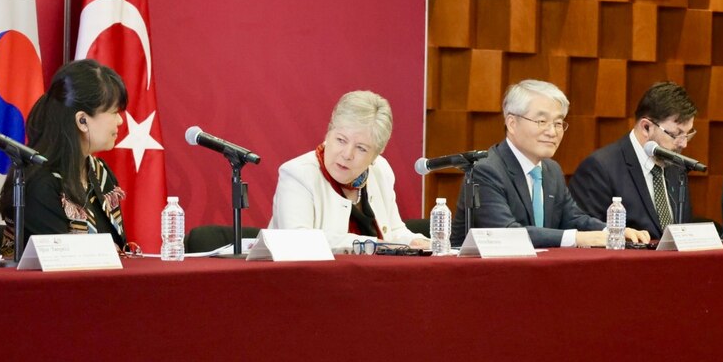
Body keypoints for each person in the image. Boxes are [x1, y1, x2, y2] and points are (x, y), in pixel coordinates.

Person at [452, 79, 650, 248]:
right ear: (512, 123)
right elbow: (506, 233)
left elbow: (573, 218)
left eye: (558, 123)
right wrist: (577, 238)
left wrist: (613, 231)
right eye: (542, 121)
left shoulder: (551, 169)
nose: (553, 132)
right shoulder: (485, 169)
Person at [269, 90, 429, 253]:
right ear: (328, 132)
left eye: (361, 148)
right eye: (341, 140)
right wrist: (368, 244)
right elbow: (298, 240)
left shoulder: (381, 170)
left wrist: (415, 241)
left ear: (376, 154)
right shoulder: (297, 174)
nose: (347, 154)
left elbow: (394, 231)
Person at [0, 59, 129, 252]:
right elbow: (62, 264)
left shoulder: (100, 172)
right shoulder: (40, 183)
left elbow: (120, 247)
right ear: (82, 121)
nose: (119, 121)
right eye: (114, 112)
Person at [569, 82, 697, 239]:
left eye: (688, 135)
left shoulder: (676, 166)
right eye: (676, 135)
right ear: (646, 127)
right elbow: (587, 234)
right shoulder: (600, 167)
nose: (683, 143)